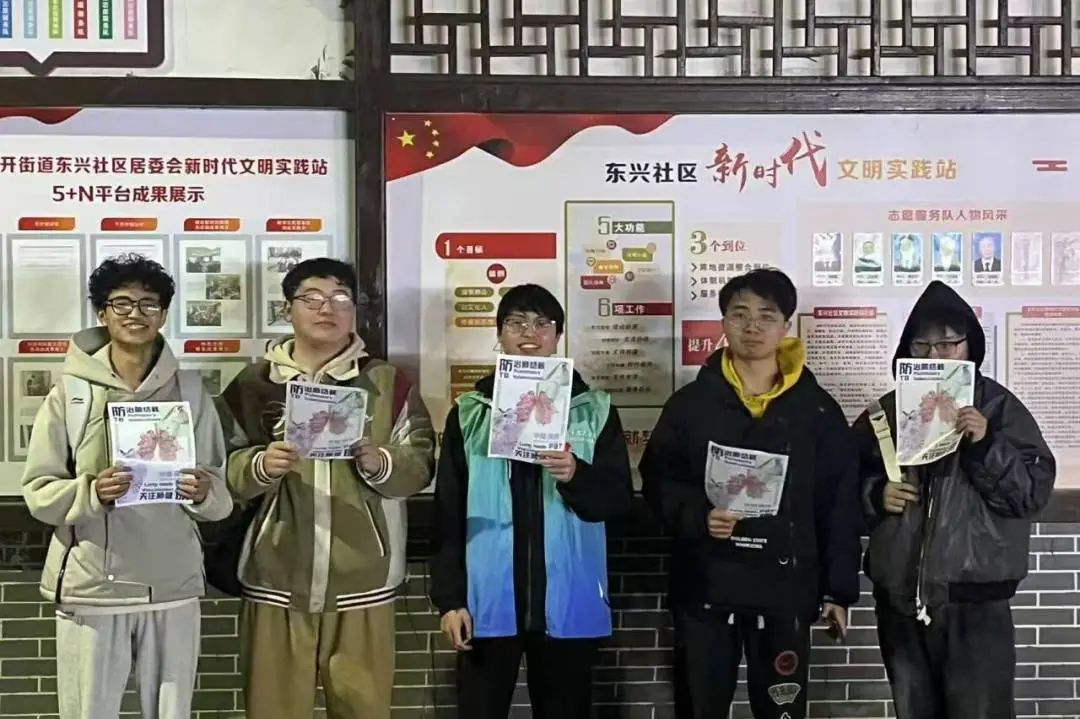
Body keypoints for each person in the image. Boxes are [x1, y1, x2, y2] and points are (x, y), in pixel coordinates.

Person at [640, 268, 861, 719]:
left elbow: (838, 503)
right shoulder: (690, 406)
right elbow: (660, 482)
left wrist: (838, 590)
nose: (752, 326)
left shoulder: (817, 410)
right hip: (706, 587)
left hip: (785, 591)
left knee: (781, 711)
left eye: (766, 315)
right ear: (723, 323)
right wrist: (699, 516)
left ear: (786, 326)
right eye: (739, 314)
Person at [221, 258, 434, 719]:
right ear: (288, 308)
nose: (327, 308)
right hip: (275, 578)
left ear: (355, 309)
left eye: (340, 298)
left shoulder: (386, 382)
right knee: (272, 711)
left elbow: (420, 462)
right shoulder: (254, 384)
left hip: (364, 582)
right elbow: (219, 470)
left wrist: (381, 462)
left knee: (364, 711)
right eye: (312, 298)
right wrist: (259, 466)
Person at [22, 254, 232, 719]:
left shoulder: (190, 390)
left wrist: (202, 491)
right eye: (121, 303)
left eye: (148, 303)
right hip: (94, 586)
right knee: (88, 711)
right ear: (102, 313)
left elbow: (219, 493)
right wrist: (92, 492)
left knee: (172, 712)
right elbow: (39, 491)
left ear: (163, 313)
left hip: (173, 582)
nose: (135, 313)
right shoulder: (71, 394)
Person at [430, 283, 633, 719]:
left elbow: (617, 501)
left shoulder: (593, 410)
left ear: (558, 335)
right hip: (486, 603)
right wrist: (450, 599)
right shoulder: (469, 412)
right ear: (499, 333)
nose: (529, 333)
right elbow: (447, 512)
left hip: (569, 599)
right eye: (516, 322)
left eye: (543, 323)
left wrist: (576, 475)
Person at [854, 281, 1055, 719]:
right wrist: (874, 494)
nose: (934, 354)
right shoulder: (884, 412)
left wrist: (986, 444)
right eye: (922, 344)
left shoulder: (999, 408)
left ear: (969, 347)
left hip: (977, 602)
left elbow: (1030, 494)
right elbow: (840, 490)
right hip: (900, 599)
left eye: (947, 343)